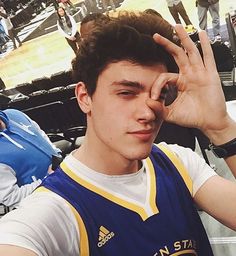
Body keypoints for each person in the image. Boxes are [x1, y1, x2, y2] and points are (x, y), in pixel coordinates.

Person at [0, 11, 236, 256]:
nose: (148, 112)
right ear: (84, 97)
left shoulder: (177, 161)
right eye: (126, 93)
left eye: (159, 93)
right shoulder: (56, 211)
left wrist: (221, 127)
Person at [0, 109, 61, 210]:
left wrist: (55, 152)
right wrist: (48, 180)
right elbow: (11, 197)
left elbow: (40, 133)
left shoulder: (14, 114)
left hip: (65, 179)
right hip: (46, 204)